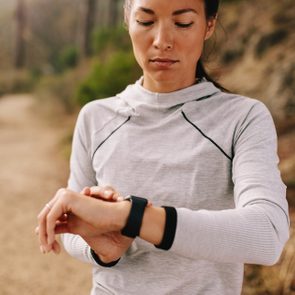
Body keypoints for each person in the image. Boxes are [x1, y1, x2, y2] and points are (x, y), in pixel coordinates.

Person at [36, 0, 290, 294]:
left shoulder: (241, 118)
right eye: (146, 22)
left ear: (209, 25)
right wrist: (102, 248)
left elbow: (267, 233)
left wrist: (131, 217)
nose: (162, 41)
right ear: (128, 19)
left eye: (182, 23)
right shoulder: (95, 118)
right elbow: (73, 231)